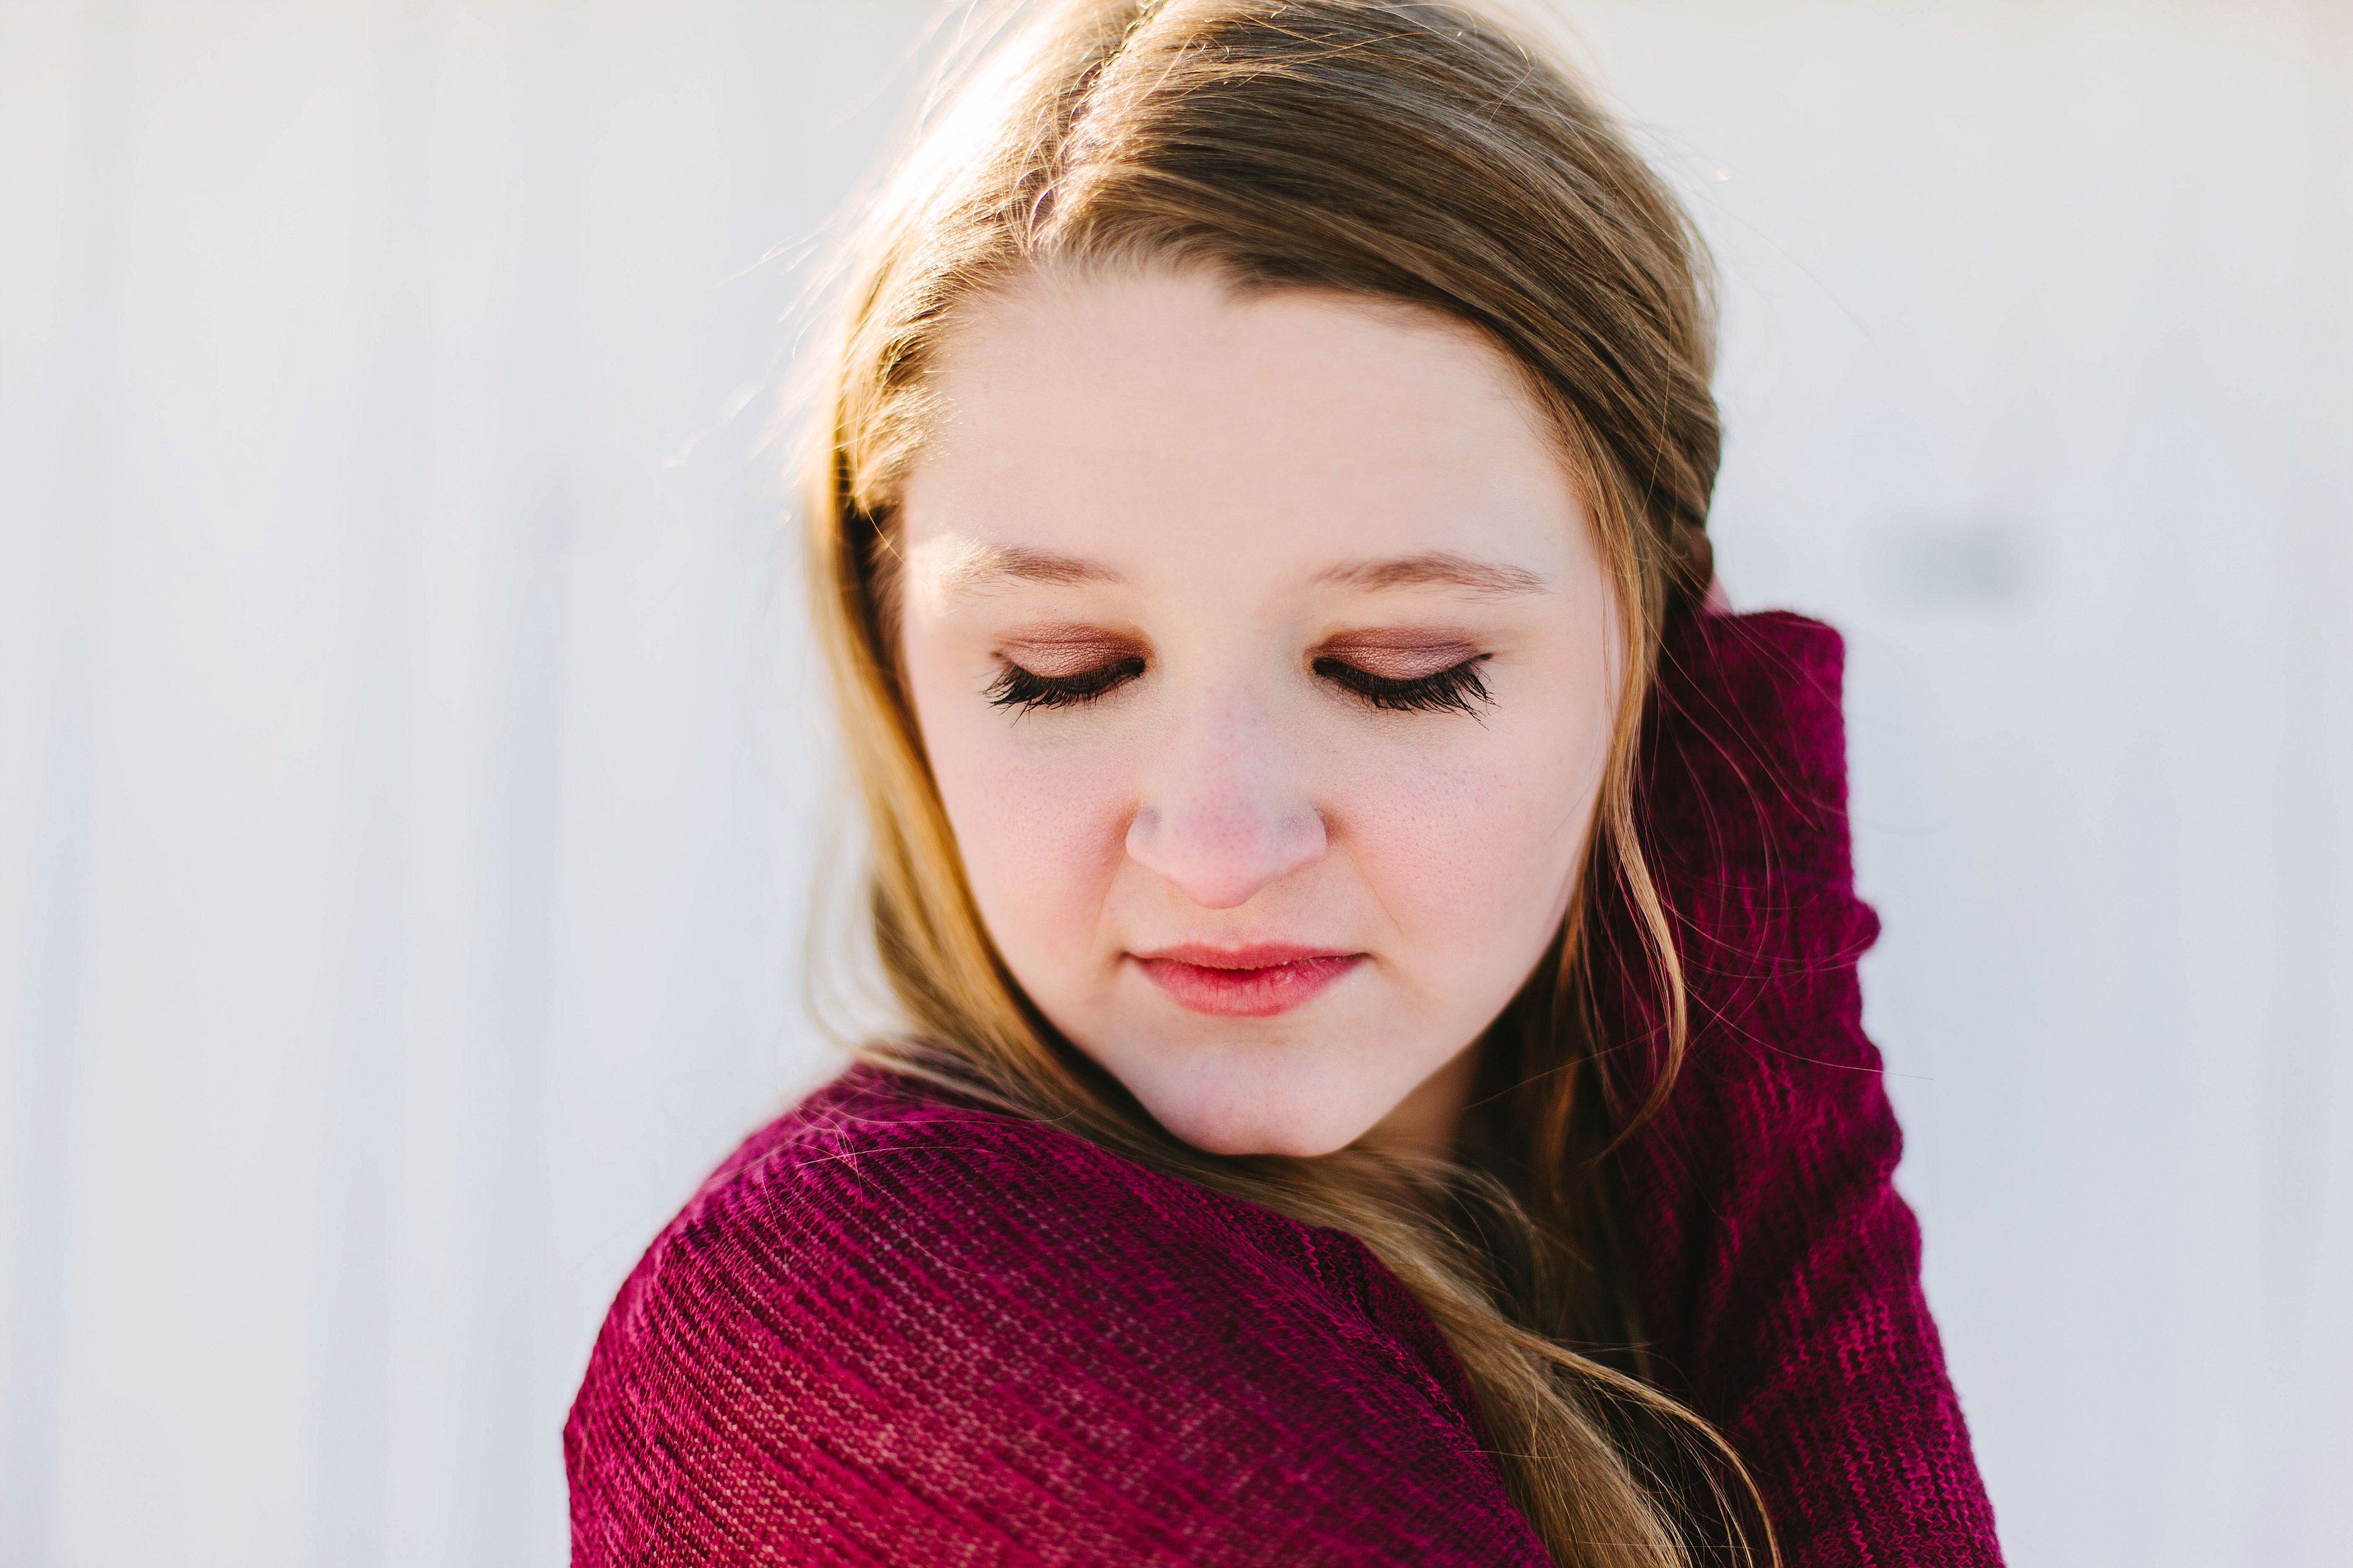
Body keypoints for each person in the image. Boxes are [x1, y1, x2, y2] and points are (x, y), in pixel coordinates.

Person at [567, 2, 2003, 1565]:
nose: (1220, 848)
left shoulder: (1605, 1293)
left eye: (1399, 668)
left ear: (1647, 652)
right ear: (897, 648)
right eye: (1062, 670)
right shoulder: (860, 1308)